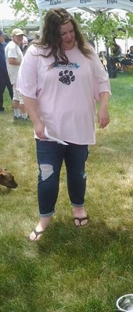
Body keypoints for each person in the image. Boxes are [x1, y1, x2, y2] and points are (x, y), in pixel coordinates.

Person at [17, 8, 111, 241]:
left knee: (78, 173)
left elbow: (102, 81)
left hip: (79, 127)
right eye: (61, 34)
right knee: (47, 175)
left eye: (70, 31)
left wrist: (103, 106)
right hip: (49, 130)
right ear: (50, 34)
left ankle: (78, 208)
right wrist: (37, 122)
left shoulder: (86, 51)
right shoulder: (37, 53)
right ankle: (44, 218)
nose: (68, 37)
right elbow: (27, 92)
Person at [5, 28, 29, 120]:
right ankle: (24, 116)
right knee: (22, 96)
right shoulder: (12, 46)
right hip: (17, 75)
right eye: (18, 36)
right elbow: (11, 60)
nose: (20, 37)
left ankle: (17, 114)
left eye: (21, 36)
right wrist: (24, 62)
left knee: (16, 96)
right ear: (13, 36)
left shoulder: (14, 45)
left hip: (15, 75)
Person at [0, 30, 13, 113]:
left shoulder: (6, 45)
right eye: (2, 36)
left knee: (12, 90)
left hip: (9, 71)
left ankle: (16, 107)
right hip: (1, 72)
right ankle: (0, 108)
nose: (3, 37)